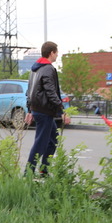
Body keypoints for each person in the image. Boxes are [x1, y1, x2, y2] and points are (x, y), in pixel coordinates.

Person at [25, 41, 69, 177]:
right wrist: (62, 111)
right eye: (56, 52)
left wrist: (30, 110)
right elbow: (51, 92)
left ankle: (44, 169)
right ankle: (28, 173)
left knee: (52, 139)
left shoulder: (35, 69)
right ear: (51, 53)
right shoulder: (48, 68)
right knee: (40, 143)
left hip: (38, 109)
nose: (57, 55)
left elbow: (29, 91)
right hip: (44, 111)